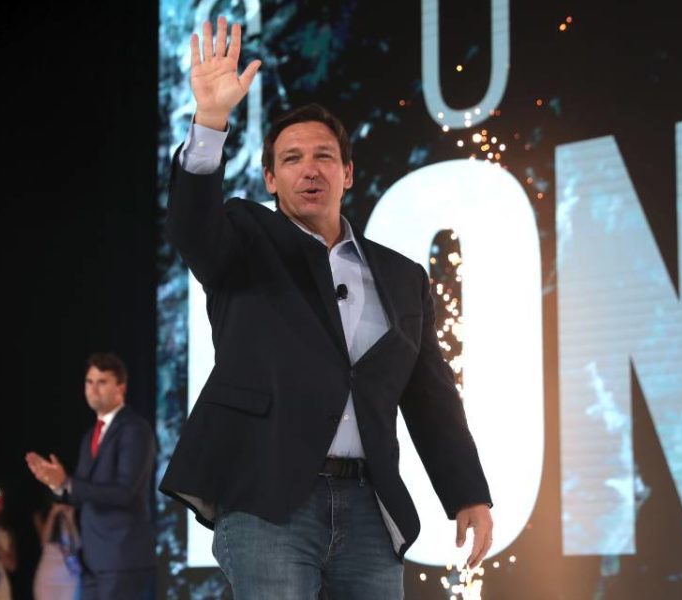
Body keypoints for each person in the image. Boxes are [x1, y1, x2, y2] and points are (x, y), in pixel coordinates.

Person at [158, 17, 495, 599]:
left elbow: (430, 394)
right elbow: (191, 226)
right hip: (268, 500)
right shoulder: (242, 239)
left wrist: (469, 492)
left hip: (370, 509)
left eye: (323, 156)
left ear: (348, 173)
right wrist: (211, 122)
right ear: (269, 177)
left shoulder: (401, 276)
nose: (309, 168)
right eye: (291, 159)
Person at [25, 353, 156, 600]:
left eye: (102, 382)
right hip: (91, 559)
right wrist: (58, 486)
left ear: (121, 387)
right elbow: (81, 494)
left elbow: (124, 492)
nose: (93, 389)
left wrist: (69, 483)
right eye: (89, 381)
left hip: (122, 559)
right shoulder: (90, 436)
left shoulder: (135, 430)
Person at [32, 501, 82, 600]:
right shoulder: (43, 514)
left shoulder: (73, 513)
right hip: (48, 577)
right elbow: (44, 541)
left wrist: (70, 518)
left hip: (69, 577)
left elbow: (77, 545)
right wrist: (53, 513)